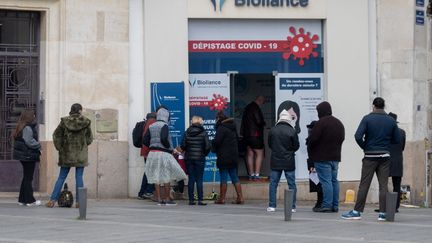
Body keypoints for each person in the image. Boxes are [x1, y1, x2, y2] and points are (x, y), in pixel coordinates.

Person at [341, 97, 400, 221]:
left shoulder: (367, 118)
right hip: (384, 156)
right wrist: (386, 145)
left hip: (370, 156)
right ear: (384, 106)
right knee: (383, 185)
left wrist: (365, 147)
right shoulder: (391, 121)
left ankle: (357, 212)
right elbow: (397, 140)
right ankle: (383, 213)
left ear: (373, 106)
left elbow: (357, 136)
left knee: (364, 185)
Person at [46, 103, 93, 208]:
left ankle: (52, 200)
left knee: (61, 177)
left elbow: (56, 135)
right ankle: (79, 203)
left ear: (71, 110)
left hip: (66, 154)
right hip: (80, 154)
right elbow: (89, 139)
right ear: (80, 111)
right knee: (79, 177)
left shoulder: (64, 122)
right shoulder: (85, 122)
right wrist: (83, 145)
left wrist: (60, 147)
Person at [143, 106, 187, 206]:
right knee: (166, 175)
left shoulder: (151, 126)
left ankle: (158, 199)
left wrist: (153, 144)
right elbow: (164, 138)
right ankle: (167, 198)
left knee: (156, 176)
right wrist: (168, 147)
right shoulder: (164, 126)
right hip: (163, 153)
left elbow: (145, 140)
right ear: (166, 116)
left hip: (152, 153)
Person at [307, 101, 345, 213]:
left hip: (322, 158)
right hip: (336, 158)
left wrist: (312, 152)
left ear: (321, 111)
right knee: (334, 181)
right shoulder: (339, 123)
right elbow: (342, 138)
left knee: (326, 182)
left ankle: (327, 205)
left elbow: (312, 139)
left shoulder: (321, 123)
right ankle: (335, 205)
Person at [266, 109, 299, 212]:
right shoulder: (292, 131)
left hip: (276, 160)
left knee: (273, 184)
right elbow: (296, 146)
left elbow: (270, 145)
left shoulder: (273, 130)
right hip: (289, 161)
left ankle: (272, 206)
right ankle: (292, 207)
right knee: (291, 184)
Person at [374, 112, 406, 213]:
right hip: (398, 161)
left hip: (386, 160)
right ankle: (395, 207)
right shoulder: (402, 132)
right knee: (397, 185)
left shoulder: (385, 132)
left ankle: (384, 207)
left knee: (383, 184)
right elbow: (402, 147)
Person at [213, 111, 244, 204]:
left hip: (224, 156)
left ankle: (222, 199)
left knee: (223, 177)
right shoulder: (233, 127)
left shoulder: (221, 128)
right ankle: (240, 198)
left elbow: (217, 142)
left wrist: (213, 145)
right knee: (234, 177)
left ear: (218, 119)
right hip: (233, 156)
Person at [12, 109, 42, 206]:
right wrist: (39, 145)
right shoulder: (28, 128)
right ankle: (30, 200)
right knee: (28, 178)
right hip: (28, 155)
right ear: (29, 116)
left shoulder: (21, 126)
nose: (34, 116)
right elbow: (29, 141)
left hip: (24, 156)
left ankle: (22, 199)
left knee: (26, 177)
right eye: (33, 115)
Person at [179, 116, 211, 206]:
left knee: (191, 179)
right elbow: (208, 146)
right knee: (199, 179)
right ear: (200, 122)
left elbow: (182, 146)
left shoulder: (187, 132)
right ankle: (200, 200)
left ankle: (191, 200)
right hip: (200, 158)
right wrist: (203, 153)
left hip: (189, 158)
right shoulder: (204, 133)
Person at [240, 95, 266, 180]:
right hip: (255, 135)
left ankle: (251, 175)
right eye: (263, 101)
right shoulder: (255, 108)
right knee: (259, 153)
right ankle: (257, 175)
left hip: (247, 136)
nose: (262, 103)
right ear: (260, 100)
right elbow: (258, 121)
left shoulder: (247, 107)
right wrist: (263, 123)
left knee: (250, 154)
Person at [137, 112, 157, 200]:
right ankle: (147, 191)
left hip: (145, 152)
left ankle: (143, 193)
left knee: (148, 171)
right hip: (150, 152)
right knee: (150, 172)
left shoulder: (146, 123)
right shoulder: (152, 122)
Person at [305, 121, 323, 211]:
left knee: (319, 185)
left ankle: (320, 203)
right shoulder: (313, 139)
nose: (309, 130)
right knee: (318, 185)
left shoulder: (313, 139)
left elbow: (312, 153)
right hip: (316, 164)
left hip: (316, 164)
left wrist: (311, 165)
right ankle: (320, 202)